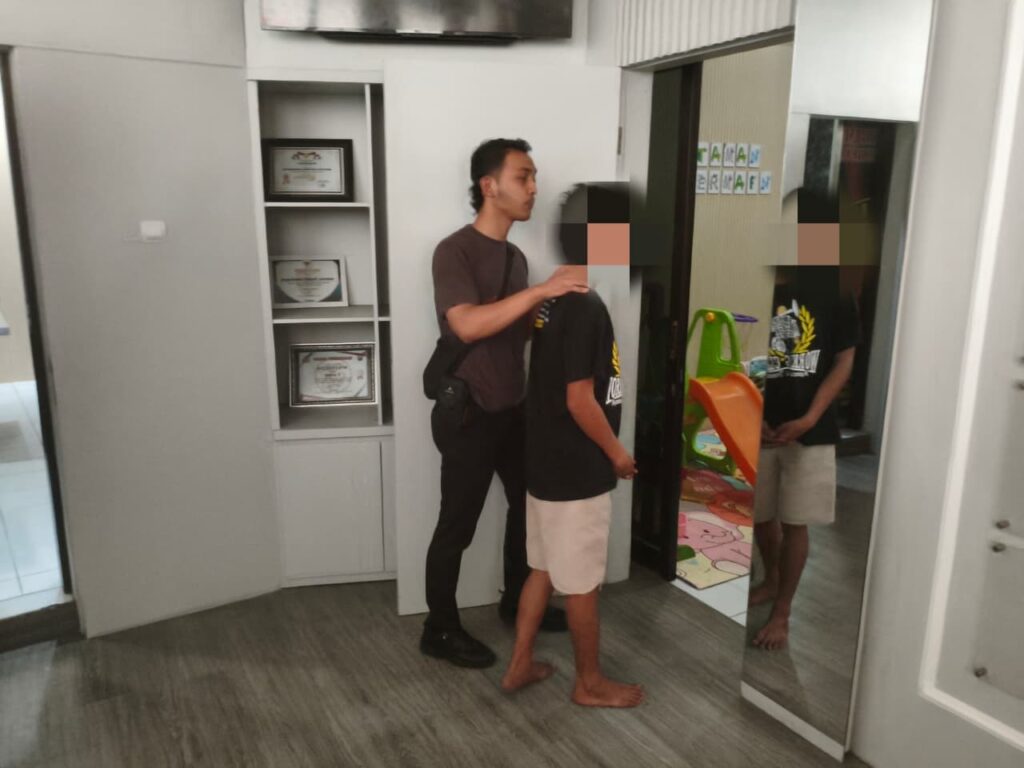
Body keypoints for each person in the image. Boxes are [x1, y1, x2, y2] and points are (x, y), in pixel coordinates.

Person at [421, 138, 589, 669]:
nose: (534, 187)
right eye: (523, 176)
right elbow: (467, 324)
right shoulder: (454, 250)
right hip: (469, 412)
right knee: (457, 524)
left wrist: (559, 310)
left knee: (528, 509)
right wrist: (541, 292)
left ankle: (516, 602)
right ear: (489, 186)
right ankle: (438, 628)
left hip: (513, 411)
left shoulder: (515, 258)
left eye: (534, 177)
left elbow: (516, 332)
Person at [500, 183, 644, 708]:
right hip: (576, 469)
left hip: (545, 464)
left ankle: (519, 664)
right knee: (581, 582)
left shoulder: (553, 299)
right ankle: (589, 683)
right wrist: (617, 454)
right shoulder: (585, 306)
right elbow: (580, 399)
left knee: (542, 568)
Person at [750, 266, 860, 651]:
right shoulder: (757, 282)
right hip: (759, 427)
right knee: (760, 515)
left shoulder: (835, 289)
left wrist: (811, 418)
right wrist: (753, 413)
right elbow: (742, 352)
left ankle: (782, 613)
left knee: (796, 522)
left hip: (812, 431)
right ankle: (771, 580)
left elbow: (845, 360)